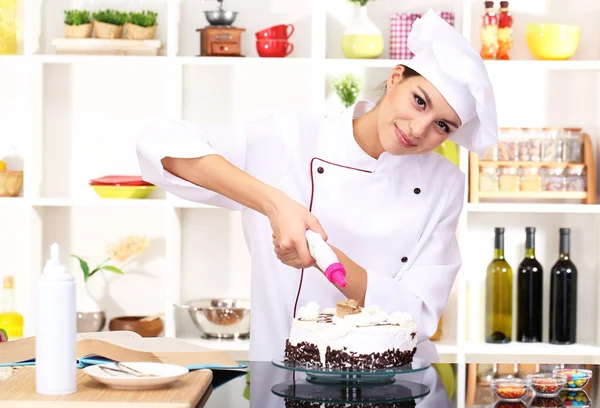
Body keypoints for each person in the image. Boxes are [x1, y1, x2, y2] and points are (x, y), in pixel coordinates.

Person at [136, 10, 498, 362]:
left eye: (443, 126)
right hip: (287, 380)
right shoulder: (292, 138)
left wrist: (329, 260)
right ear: (395, 77)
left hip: (395, 385)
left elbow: (418, 314)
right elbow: (159, 141)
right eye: (419, 101)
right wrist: (274, 204)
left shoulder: (445, 185)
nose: (419, 129)